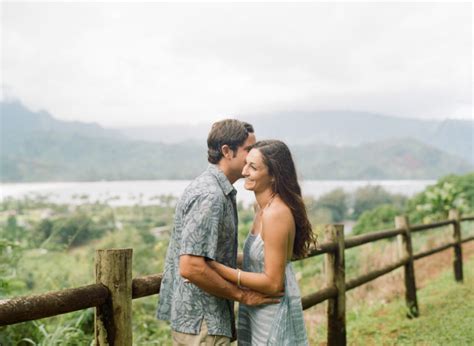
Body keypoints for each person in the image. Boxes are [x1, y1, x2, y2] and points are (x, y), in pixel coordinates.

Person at [156, 120, 280, 346]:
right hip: (203, 323)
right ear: (226, 151)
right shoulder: (210, 195)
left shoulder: (217, 190)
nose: (253, 155)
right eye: (248, 149)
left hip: (204, 321)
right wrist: (243, 295)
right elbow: (191, 266)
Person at [207, 140, 316, 345]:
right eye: (246, 163)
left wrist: (216, 268)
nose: (245, 171)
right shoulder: (261, 209)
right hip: (257, 308)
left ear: (274, 175)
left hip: (272, 309)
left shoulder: (276, 213)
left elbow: (274, 283)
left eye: (253, 167)